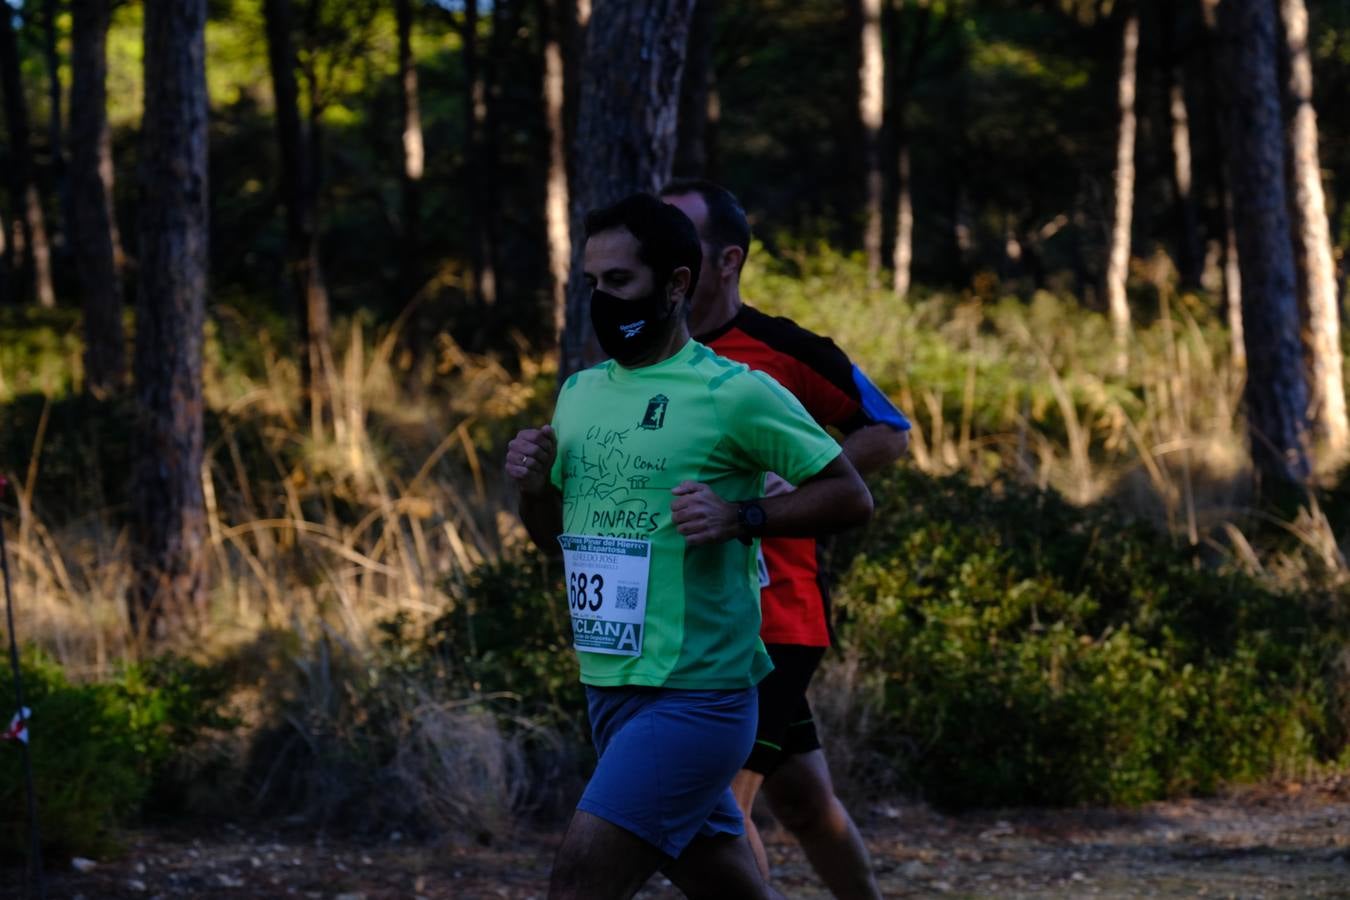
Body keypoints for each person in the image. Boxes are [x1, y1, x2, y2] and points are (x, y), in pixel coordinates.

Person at [505, 192, 875, 900]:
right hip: (609, 688)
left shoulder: (735, 392)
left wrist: (745, 516)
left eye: (621, 283)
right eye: (592, 285)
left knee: (580, 878)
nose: (602, 301)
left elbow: (851, 495)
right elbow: (554, 540)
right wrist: (530, 487)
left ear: (677, 284)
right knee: (729, 887)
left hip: (699, 697)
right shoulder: (579, 394)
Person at [662, 178, 911, 900]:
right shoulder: (646, 354)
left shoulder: (782, 349)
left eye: (681, 241)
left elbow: (888, 431)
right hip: (689, 617)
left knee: (721, 810)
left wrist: (792, 488)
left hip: (775, 618)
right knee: (801, 799)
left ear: (727, 259)